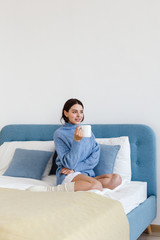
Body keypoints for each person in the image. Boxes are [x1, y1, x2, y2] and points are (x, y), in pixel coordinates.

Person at [54, 98, 122, 192]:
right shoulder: (60, 134)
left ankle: (88, 185)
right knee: (96, 185)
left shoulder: (87, 131)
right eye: (74, 112)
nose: (79, 115)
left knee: (116, 179)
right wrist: (77, 141)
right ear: (66, 113)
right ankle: (59, 189)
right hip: (69, 175)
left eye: (81, 112)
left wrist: (76, 168)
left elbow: (94, 157)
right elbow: (69, 164)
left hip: (85, 173)